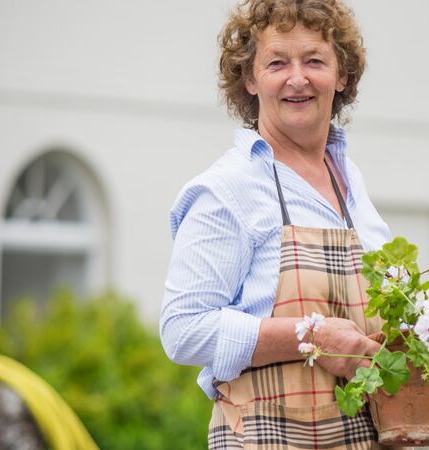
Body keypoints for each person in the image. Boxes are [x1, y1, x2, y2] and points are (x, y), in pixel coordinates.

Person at [160, 0, 392, 447]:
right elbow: (183, 330)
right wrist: (314, 335)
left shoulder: (350, 181)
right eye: (277, 63)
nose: (298, 78)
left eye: (315, 61)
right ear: (249, 79)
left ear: (342, 75)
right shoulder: (228, 189)